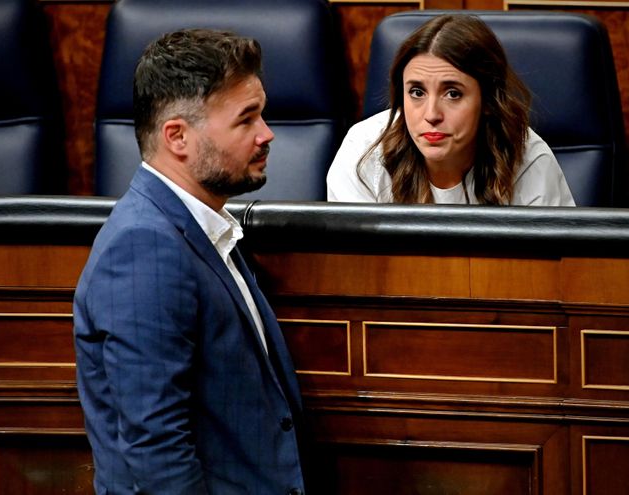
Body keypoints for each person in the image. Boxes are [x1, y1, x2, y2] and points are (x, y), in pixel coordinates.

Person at [73, 29, 307, 495]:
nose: (267, 134)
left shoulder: (201, 225)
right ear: (178, 137)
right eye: (246, 120)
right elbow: (156, 450)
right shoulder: (145, 247)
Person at [327, 14, 576, 206]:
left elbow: (555, 270)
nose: (432, 114)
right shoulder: (364, 153)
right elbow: (354, 269)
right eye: (417, 92)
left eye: (453, 94)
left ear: (488, 101)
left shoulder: (529, 159)